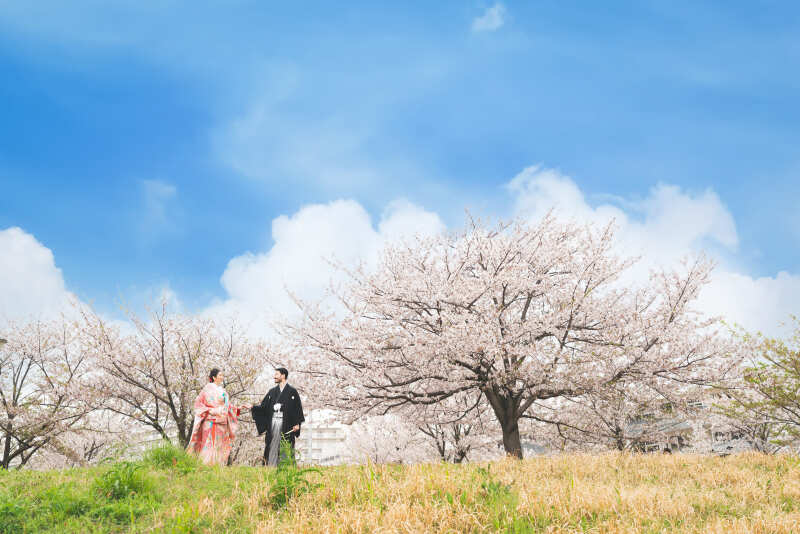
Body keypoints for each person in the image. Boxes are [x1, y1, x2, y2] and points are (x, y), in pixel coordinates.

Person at [251, 367, 305, 466]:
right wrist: (253, 407)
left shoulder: (292, 392)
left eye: (276, 374)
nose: (274, 377)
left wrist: (297, 423)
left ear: (283, 376)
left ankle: (286, 467)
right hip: (273, 424)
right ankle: (270, 466)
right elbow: (264, 407)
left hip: (287, 424)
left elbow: (297, 408)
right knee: (272, 444)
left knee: (286, 444)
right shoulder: (272, 391)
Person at [187, 368, 241, 465]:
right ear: (214, 377)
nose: (222, 377)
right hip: (210, 421)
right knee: (208, 444)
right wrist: (210, 410)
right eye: (220, 375)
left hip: (222, 422)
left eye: (222, 375)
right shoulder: (207, 389)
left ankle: (218, 467)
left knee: (220, 445)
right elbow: (198, 404)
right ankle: (206, 466)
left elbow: (228, 406)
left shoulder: (223, 391)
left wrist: (237, 409)